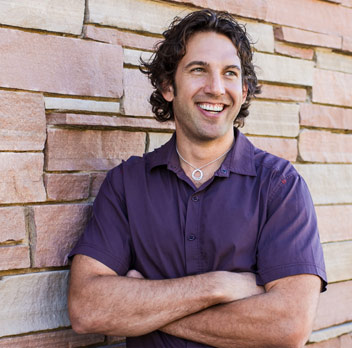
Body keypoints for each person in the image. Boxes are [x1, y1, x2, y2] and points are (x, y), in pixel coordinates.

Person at [67, 9, 327, 348]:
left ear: (244, 91)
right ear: (167, 86)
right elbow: (87, 308)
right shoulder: (126, 185)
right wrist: (217, 287)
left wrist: (144, 309)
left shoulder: (279, 186)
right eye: (199, 70)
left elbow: (289, 325)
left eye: (230, 73)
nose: (216, 88)